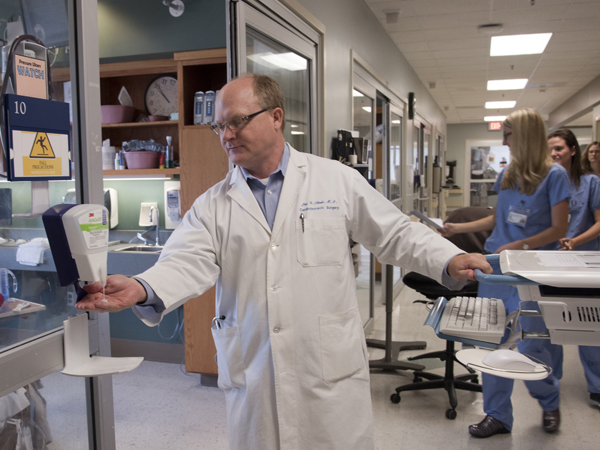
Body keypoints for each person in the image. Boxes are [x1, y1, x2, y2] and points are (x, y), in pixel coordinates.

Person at [76, 74, 491, 450]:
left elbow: (395, 232)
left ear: (276, 117)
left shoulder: (335, 181)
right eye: (220, 125)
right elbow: (183, 262)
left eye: (237, 121)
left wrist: (449, 257)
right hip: (255, 374)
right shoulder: (213, 206)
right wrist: (142, 287)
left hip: (327, 370)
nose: (227, 135)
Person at [441, 109, 570, 438]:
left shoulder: (554, 176)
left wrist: (521, 247)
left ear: (525, 135)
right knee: (492, 343)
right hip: (497, 269)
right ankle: (497, 415)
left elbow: (559, 228)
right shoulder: (509, 174)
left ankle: (548, 399)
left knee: (534, 346)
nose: (504, 141)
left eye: (508, 134)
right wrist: (458, 227)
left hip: (534, 271)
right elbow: (496, 219)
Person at [548, 128, 600, 410]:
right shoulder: (547, 182)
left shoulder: (591, 183)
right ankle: (550, 380)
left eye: (559, 148)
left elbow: (599, 221)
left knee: (588, 325)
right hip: (549, 262)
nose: (554, 154)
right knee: (550, 325)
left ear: (573, 150)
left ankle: (597, 385)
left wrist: (575, 241)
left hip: (585, 260)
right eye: (551, 150)